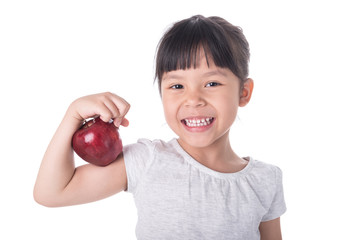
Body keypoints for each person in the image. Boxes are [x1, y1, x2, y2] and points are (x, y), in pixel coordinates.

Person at [34, 15, 286, 240]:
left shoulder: (265, 179)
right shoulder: (148, 160)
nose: (193, 99)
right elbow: (51, 192)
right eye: (177, 86)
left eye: (211, 83)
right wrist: (73, 115)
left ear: (244, 92)